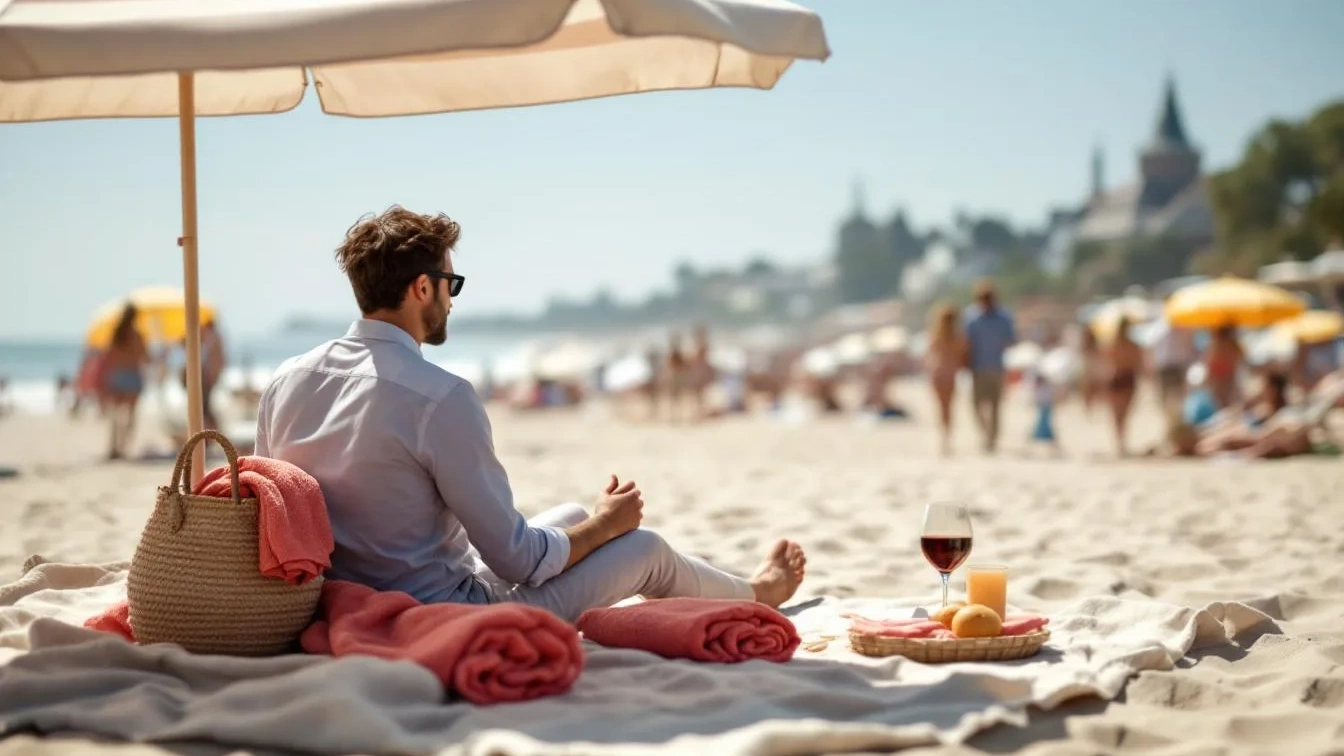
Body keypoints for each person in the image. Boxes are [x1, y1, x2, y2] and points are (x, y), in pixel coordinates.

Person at [254, 206, 805, 623]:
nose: (452, 300)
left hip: (342, 595)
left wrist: (587, 526)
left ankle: (606, 532)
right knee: (645, 549)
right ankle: (761, 595)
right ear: (422, 288)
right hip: (442, 608)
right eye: (451, 285)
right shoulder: (440, 398)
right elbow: (516, 560)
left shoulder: (285, 380)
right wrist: (607, 526)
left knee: (567, 513)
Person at [963, 280, 1017, 453]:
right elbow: (965, 343)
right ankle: (987, 433)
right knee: (976, 405)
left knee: (995, 406)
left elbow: (1011, 340)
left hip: (996, 367)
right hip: (977, 367)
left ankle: (991, 440)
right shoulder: (972, 317)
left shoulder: (1003, 317)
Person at [101, 303, 150, 460]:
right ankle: (124, 448)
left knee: (116, 415)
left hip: (118, 375)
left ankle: (113, 447)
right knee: (130, 415)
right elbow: (144, 357)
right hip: (133, 375)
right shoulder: (137, 335)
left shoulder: (116, 334)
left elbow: (109, 357)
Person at [924, 303, 966, 456]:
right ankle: (947, 438)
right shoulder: (958, 337)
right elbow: (963, 358)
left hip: (937, 374)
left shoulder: (935, 335)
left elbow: (929, 357)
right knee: (949, 408)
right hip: (950, 376)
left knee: (941, 408)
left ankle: (944, 439)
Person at [1104, 316, 1144, 457]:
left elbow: (1107, 362)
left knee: (1117, 414)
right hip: (1127, 378)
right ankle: (1122, 443)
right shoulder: (1133, 345)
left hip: (1116, 377)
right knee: (1124, 414)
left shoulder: (1112, 344)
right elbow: (1138, 363)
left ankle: (1119, 443)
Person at [1150, 319, 1196, 413]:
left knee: (1175, 396)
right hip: (1169, 368)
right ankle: (1172, 417)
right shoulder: (1160, 329)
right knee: (1171, 396)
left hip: (1173, 368)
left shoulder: (1159, 329)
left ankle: (1174, 417)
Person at [1203, 323, 1244, 410]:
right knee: (1225, 404)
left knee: (1225, 404)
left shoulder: (1216, 344)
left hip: (1225, 378)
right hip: (1223, 378)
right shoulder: (1218, 344)